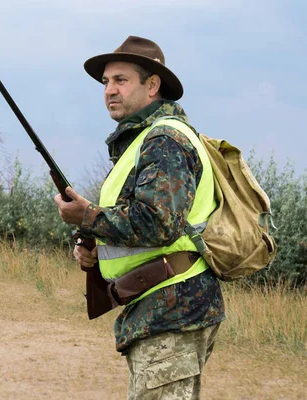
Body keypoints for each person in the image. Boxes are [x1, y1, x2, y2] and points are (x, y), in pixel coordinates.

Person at [53, 36, 226, 399]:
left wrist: (87, 216)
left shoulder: (164, 140)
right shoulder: (145, 141)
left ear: (152, 86)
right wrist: (97, 249)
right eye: (105, 83)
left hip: (172, 310)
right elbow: (149, 226)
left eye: (120, 80)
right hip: (163, 310)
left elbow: (158, 222)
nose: (109, 90)